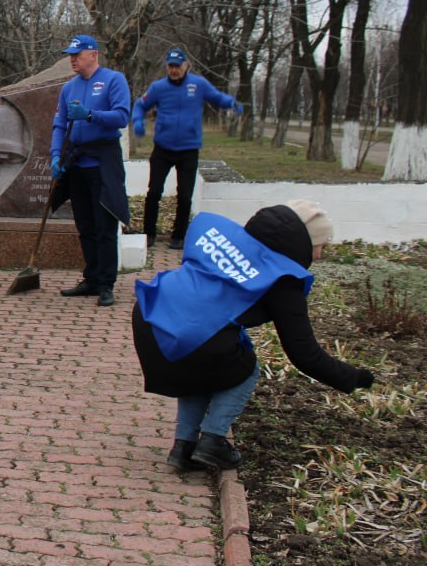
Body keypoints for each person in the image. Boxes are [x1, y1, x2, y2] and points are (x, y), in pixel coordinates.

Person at [132, 200, 374, 472]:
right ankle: (213, 441)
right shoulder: (283, 279)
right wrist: (353, 378)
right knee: (245, 370)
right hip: (189, 331)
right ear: (305, 243)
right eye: (321, 246)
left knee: (198, 368)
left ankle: (183, 447)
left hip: (150, 314)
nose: (319, 255)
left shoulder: (230, 236)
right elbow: (304, 354)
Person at [49, 34, 131, 307]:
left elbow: (121, 117)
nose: (72, 59)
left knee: (104, 225)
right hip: (77, 161)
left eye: (77, 54)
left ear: (93, 54)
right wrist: (55, 156)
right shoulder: (68, 88)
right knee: (84, 226)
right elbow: (60, 125)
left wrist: (90, 115)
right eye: (70, 54)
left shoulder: (113, 80)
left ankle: (106, 283)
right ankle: (92, 278)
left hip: (103, 160)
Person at [133, 48, 243, 250]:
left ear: (186, 65)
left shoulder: (198, 84)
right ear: (167, 67)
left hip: (188, 149)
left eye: (177, 66)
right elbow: (140, 105)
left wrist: (232, 103)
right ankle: (148, 234)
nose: (174, 70)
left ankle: (179, 236)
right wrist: (138, 120)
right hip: (163, 148)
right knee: (154, 191)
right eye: (170, 66)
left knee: (184, 195)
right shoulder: (158, 87)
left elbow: (216, 98)